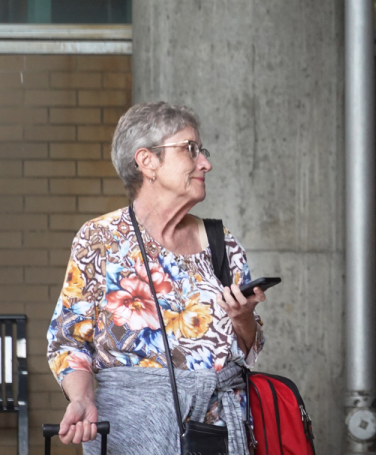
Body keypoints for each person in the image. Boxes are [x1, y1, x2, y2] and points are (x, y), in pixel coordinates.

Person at [46, 102, 266, 454]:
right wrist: (82, 398)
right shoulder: (100, 239)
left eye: (202, 151)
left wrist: (243, 318)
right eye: (190, 150)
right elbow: (68, 343)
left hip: (219, 434)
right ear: (147, 161)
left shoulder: (221, 242)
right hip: (130, 433)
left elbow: (248, 349)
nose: (205, 163)